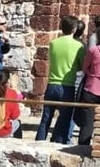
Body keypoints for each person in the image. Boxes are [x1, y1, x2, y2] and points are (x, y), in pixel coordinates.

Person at [35, 15, 84, 143]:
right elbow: (82, 65)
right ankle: (56, 142)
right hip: (67, 86)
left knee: (46, 118)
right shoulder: (78, 46)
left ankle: (39, 141)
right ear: (74, 29)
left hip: (51, 83)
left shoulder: (53, 43)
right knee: (64, 119)